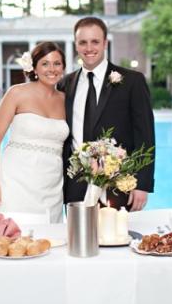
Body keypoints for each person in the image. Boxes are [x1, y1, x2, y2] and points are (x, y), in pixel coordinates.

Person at [60, 17, 155, 211]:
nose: (89, 48)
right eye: (83, 42)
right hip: (75, 186)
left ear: (105, 43)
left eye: (95, 41)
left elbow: (145, 135)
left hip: (119, 184)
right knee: (78, 240)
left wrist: (142, 184)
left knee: (117, 240)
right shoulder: (65, 84)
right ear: (76, 45)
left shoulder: (132, 81)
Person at [0, 41, 69, 223]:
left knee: (50, 241)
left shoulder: (66, 100)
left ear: (63, 67)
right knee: (14, 235)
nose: (52, 69)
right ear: (34, 68)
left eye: (57, 63)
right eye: (45, 64)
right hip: (16, 179)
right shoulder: (16, 93)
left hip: (52, 183)